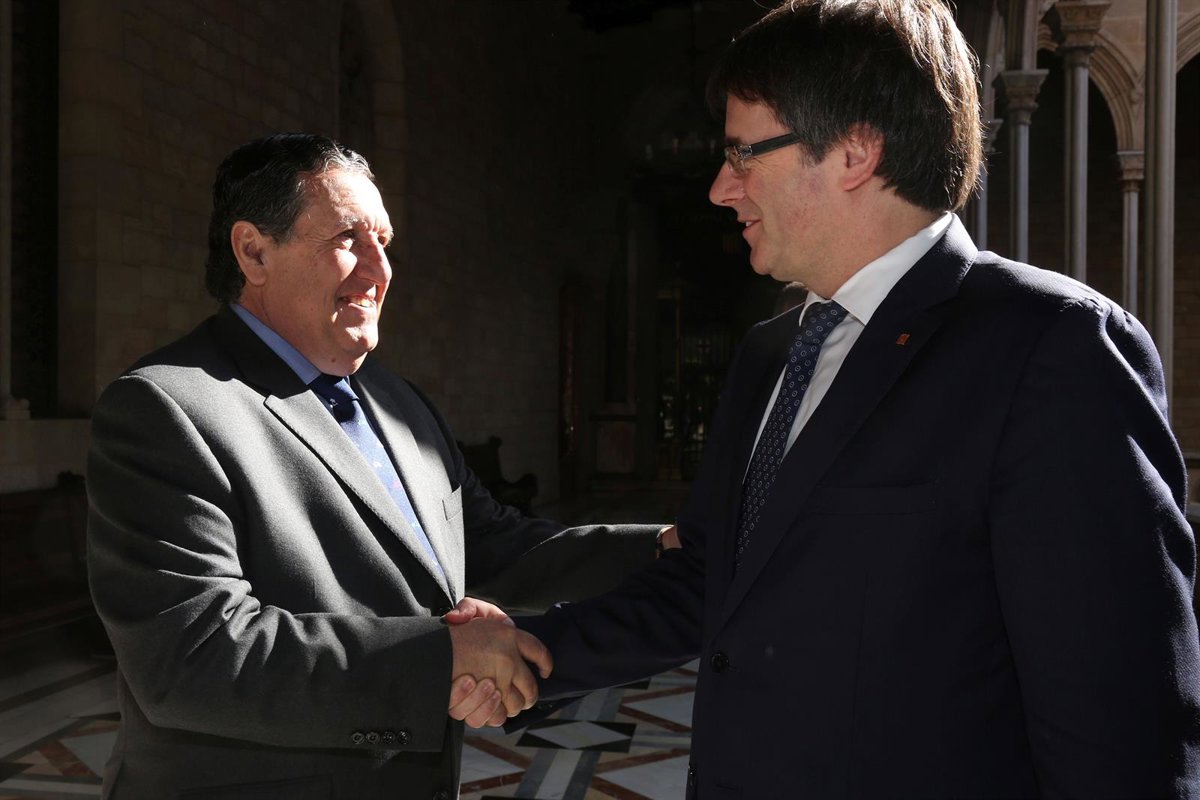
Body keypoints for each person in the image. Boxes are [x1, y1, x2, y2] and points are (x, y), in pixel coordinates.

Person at [498, 1, 1200, 796]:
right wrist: (528, 650)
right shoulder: (770, 353)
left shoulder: (1053, 348)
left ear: (854, 153)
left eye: (743, 153)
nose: (721, 188)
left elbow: (1121, 729)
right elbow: (713, 579)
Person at [85, 133, 668, 799]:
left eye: (383, 243)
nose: (378, 270)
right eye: (347, 239)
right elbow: (193, 659)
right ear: (253, 251)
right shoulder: (166, 408)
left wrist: (659, 551)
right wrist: (443, 659)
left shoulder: (397, 399)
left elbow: (487, 541)